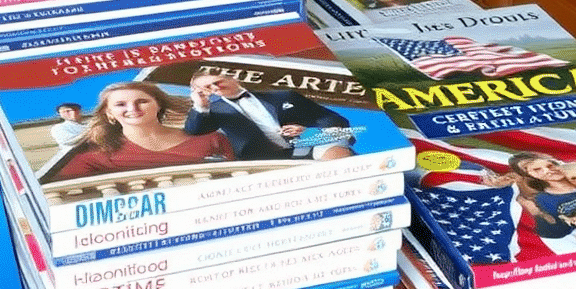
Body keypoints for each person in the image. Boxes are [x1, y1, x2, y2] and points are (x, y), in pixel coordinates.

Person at [52, 81, 234, 180]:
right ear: (110, 114)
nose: (132, 109)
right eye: (120, 104)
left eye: (142, 101)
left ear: (159, 105)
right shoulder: (92, 157)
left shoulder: (212, 140)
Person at [185, 70, 354, 161]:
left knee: (335, 144)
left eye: (218, 81)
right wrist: (200, 105)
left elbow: (332, 119)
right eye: (208, 87)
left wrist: (307, 130)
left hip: (309, 144)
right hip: (264, 159)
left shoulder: (283, 95)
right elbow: (194, 130)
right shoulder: (213, 111)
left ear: (233, 78)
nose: (215, 88)